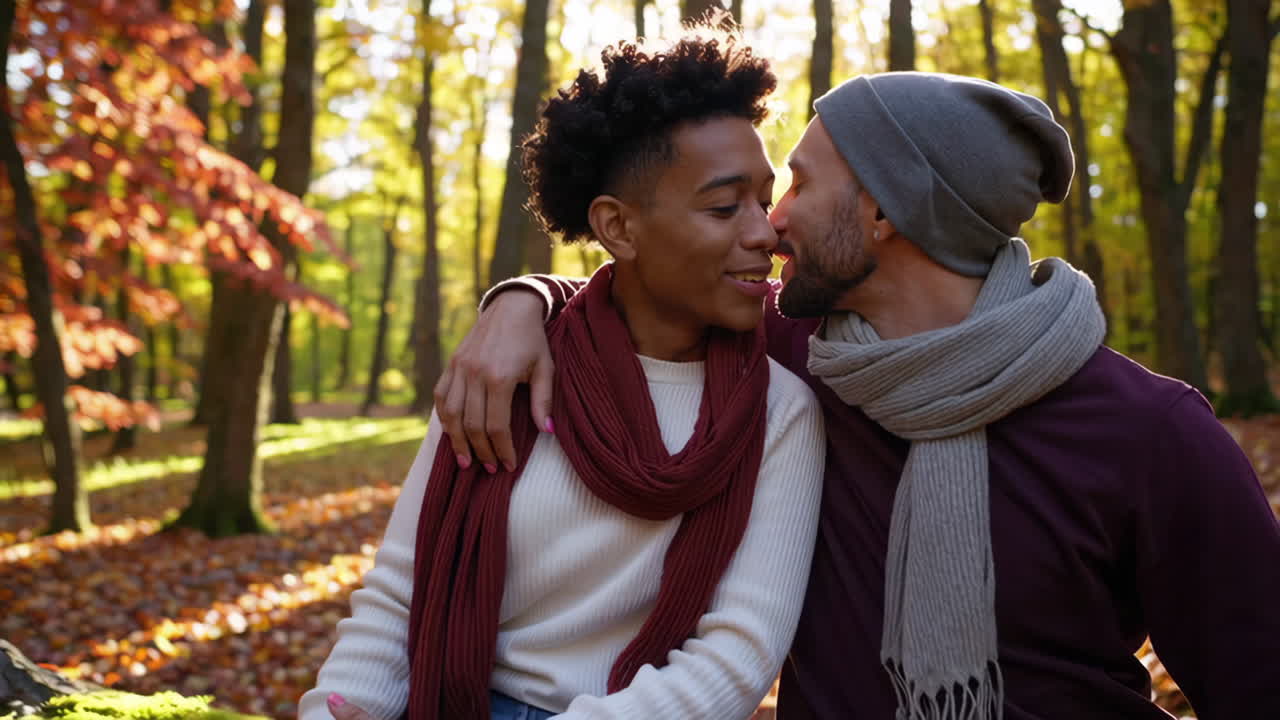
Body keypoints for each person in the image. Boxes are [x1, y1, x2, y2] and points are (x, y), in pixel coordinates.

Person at [438, 71, 1280, 720]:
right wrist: (520, 302)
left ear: (881, 210)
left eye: (798, 185)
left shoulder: (1148, 432)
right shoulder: (786, 359)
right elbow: (644, 283)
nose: (773, 224)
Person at [299, 24, 826, 720]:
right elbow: (402, 594)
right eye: (726, 206)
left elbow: (736, 657)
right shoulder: (505, 366)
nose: (764, 231)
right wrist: (337, 709)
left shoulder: (779, 410)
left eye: (764, 199)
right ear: (619, 228)